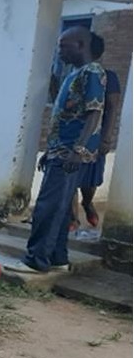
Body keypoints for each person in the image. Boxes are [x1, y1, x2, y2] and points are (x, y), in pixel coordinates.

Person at [10, 26, 106, 274]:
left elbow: (94, 112)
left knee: (47, 206)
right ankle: (57, 258)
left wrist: (78, 149)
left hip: (70, 154)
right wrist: (50, 150)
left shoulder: (92, 72)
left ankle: (35, 259)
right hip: (59, 151)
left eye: (64, 45)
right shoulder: (74, 74)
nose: (59, 50)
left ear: (81, 45)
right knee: (61, 208)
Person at [71, 32, 122, 230]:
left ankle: (87, 203)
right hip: (69, 137)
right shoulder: (72, 76)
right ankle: (72, 218)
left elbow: (112, 107)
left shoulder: (108, 77)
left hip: (94, 138)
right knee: (70, 179)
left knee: (90, 181)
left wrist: (106, 139)